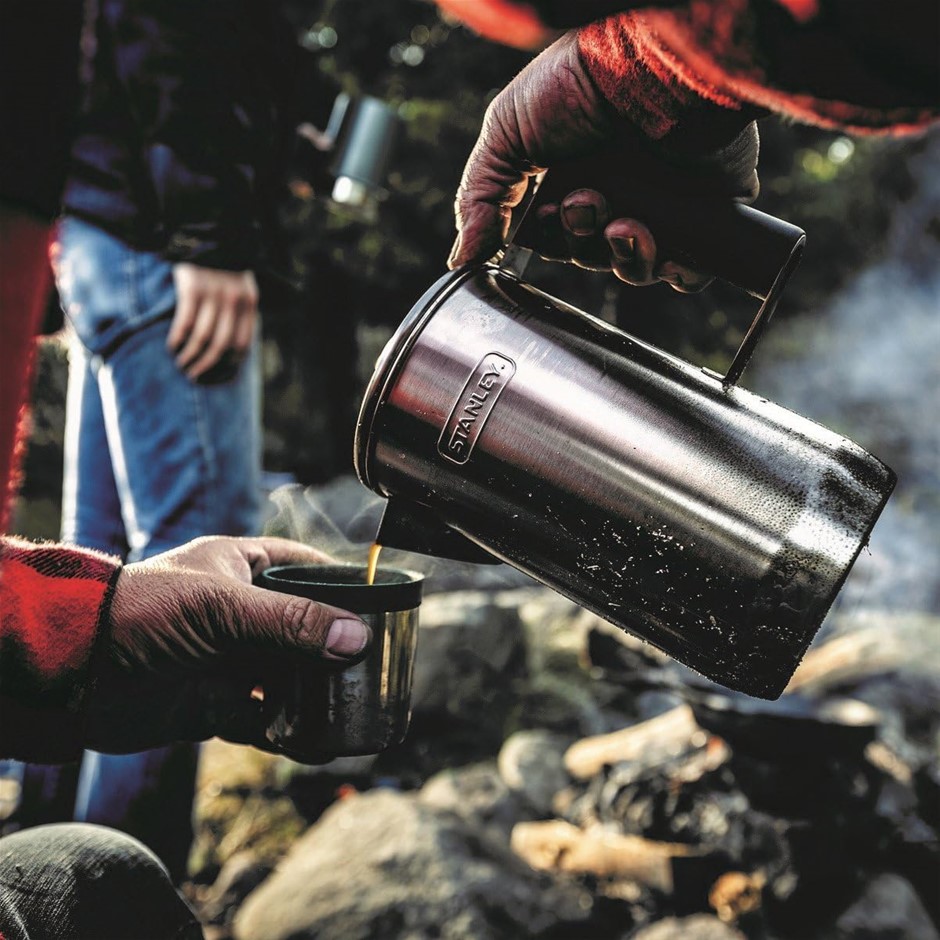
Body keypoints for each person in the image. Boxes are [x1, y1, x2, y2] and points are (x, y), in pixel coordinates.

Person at [1, 1, 936, 935]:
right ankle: (123, 823)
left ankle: (63, 809)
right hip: (163, 247)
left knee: (113, 551)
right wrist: (205, 237)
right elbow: (176, 45)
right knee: (172, 541)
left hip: (118, 243)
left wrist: (94, 628)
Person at [11, 0, 301, 880]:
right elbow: (179, 24)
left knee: (95, 576)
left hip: (104, 225)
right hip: (161, 239)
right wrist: (211, 230)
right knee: (202, 583)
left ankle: (36, 875)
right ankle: (110, 894)